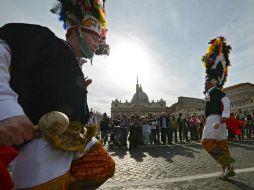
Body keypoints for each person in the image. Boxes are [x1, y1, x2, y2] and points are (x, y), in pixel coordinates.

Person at [0, 0, 114, 189]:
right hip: (41, 143)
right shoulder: (46, 41)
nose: (99, 43)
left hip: (75, 138)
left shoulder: (74, 65)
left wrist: (76, 92)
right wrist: (5, 106)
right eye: (94, 37)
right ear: (76, 31)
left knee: (104, 165)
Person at [201, 36, 235, 180]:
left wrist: (225, 115)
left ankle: (227, 164)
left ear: (212, 82)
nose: (205, 82)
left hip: (216, 119)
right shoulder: (211, 92)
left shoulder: (215, 90)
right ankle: (227, 170)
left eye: (207, 81)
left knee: (206, 142)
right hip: (218, 120)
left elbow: (226, 100)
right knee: (221, 144)